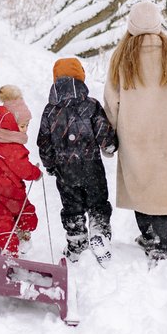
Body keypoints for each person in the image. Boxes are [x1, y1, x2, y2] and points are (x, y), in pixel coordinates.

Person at [104, 1, 167, 264]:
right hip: (164, 137)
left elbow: (112, 102)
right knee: (161, 189)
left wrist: (109, 137)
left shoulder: (121, 56)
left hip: (132, 136)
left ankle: (148, 236)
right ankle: (160, 243)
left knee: (140, 187)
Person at [38, 57, 119, 264]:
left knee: (72, 208)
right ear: (81, 77)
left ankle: (76, 243)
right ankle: (99, 234)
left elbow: (44, 142)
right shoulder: (91, 106)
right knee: (98, 203)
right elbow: (104, 134)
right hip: (92, 167)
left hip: (65, 171)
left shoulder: (50, 111)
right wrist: (110, 145)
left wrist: (49, 164)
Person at [0, 85, 41, 256]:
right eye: (22, 126)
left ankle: (7, 248)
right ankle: (23, 234)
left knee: (1, 218)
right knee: (26, 212)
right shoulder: (14, 148)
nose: (25, 129)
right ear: (11, 125)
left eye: (27, 125)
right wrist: (36, 173)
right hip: (11, 190)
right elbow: (24, 170)